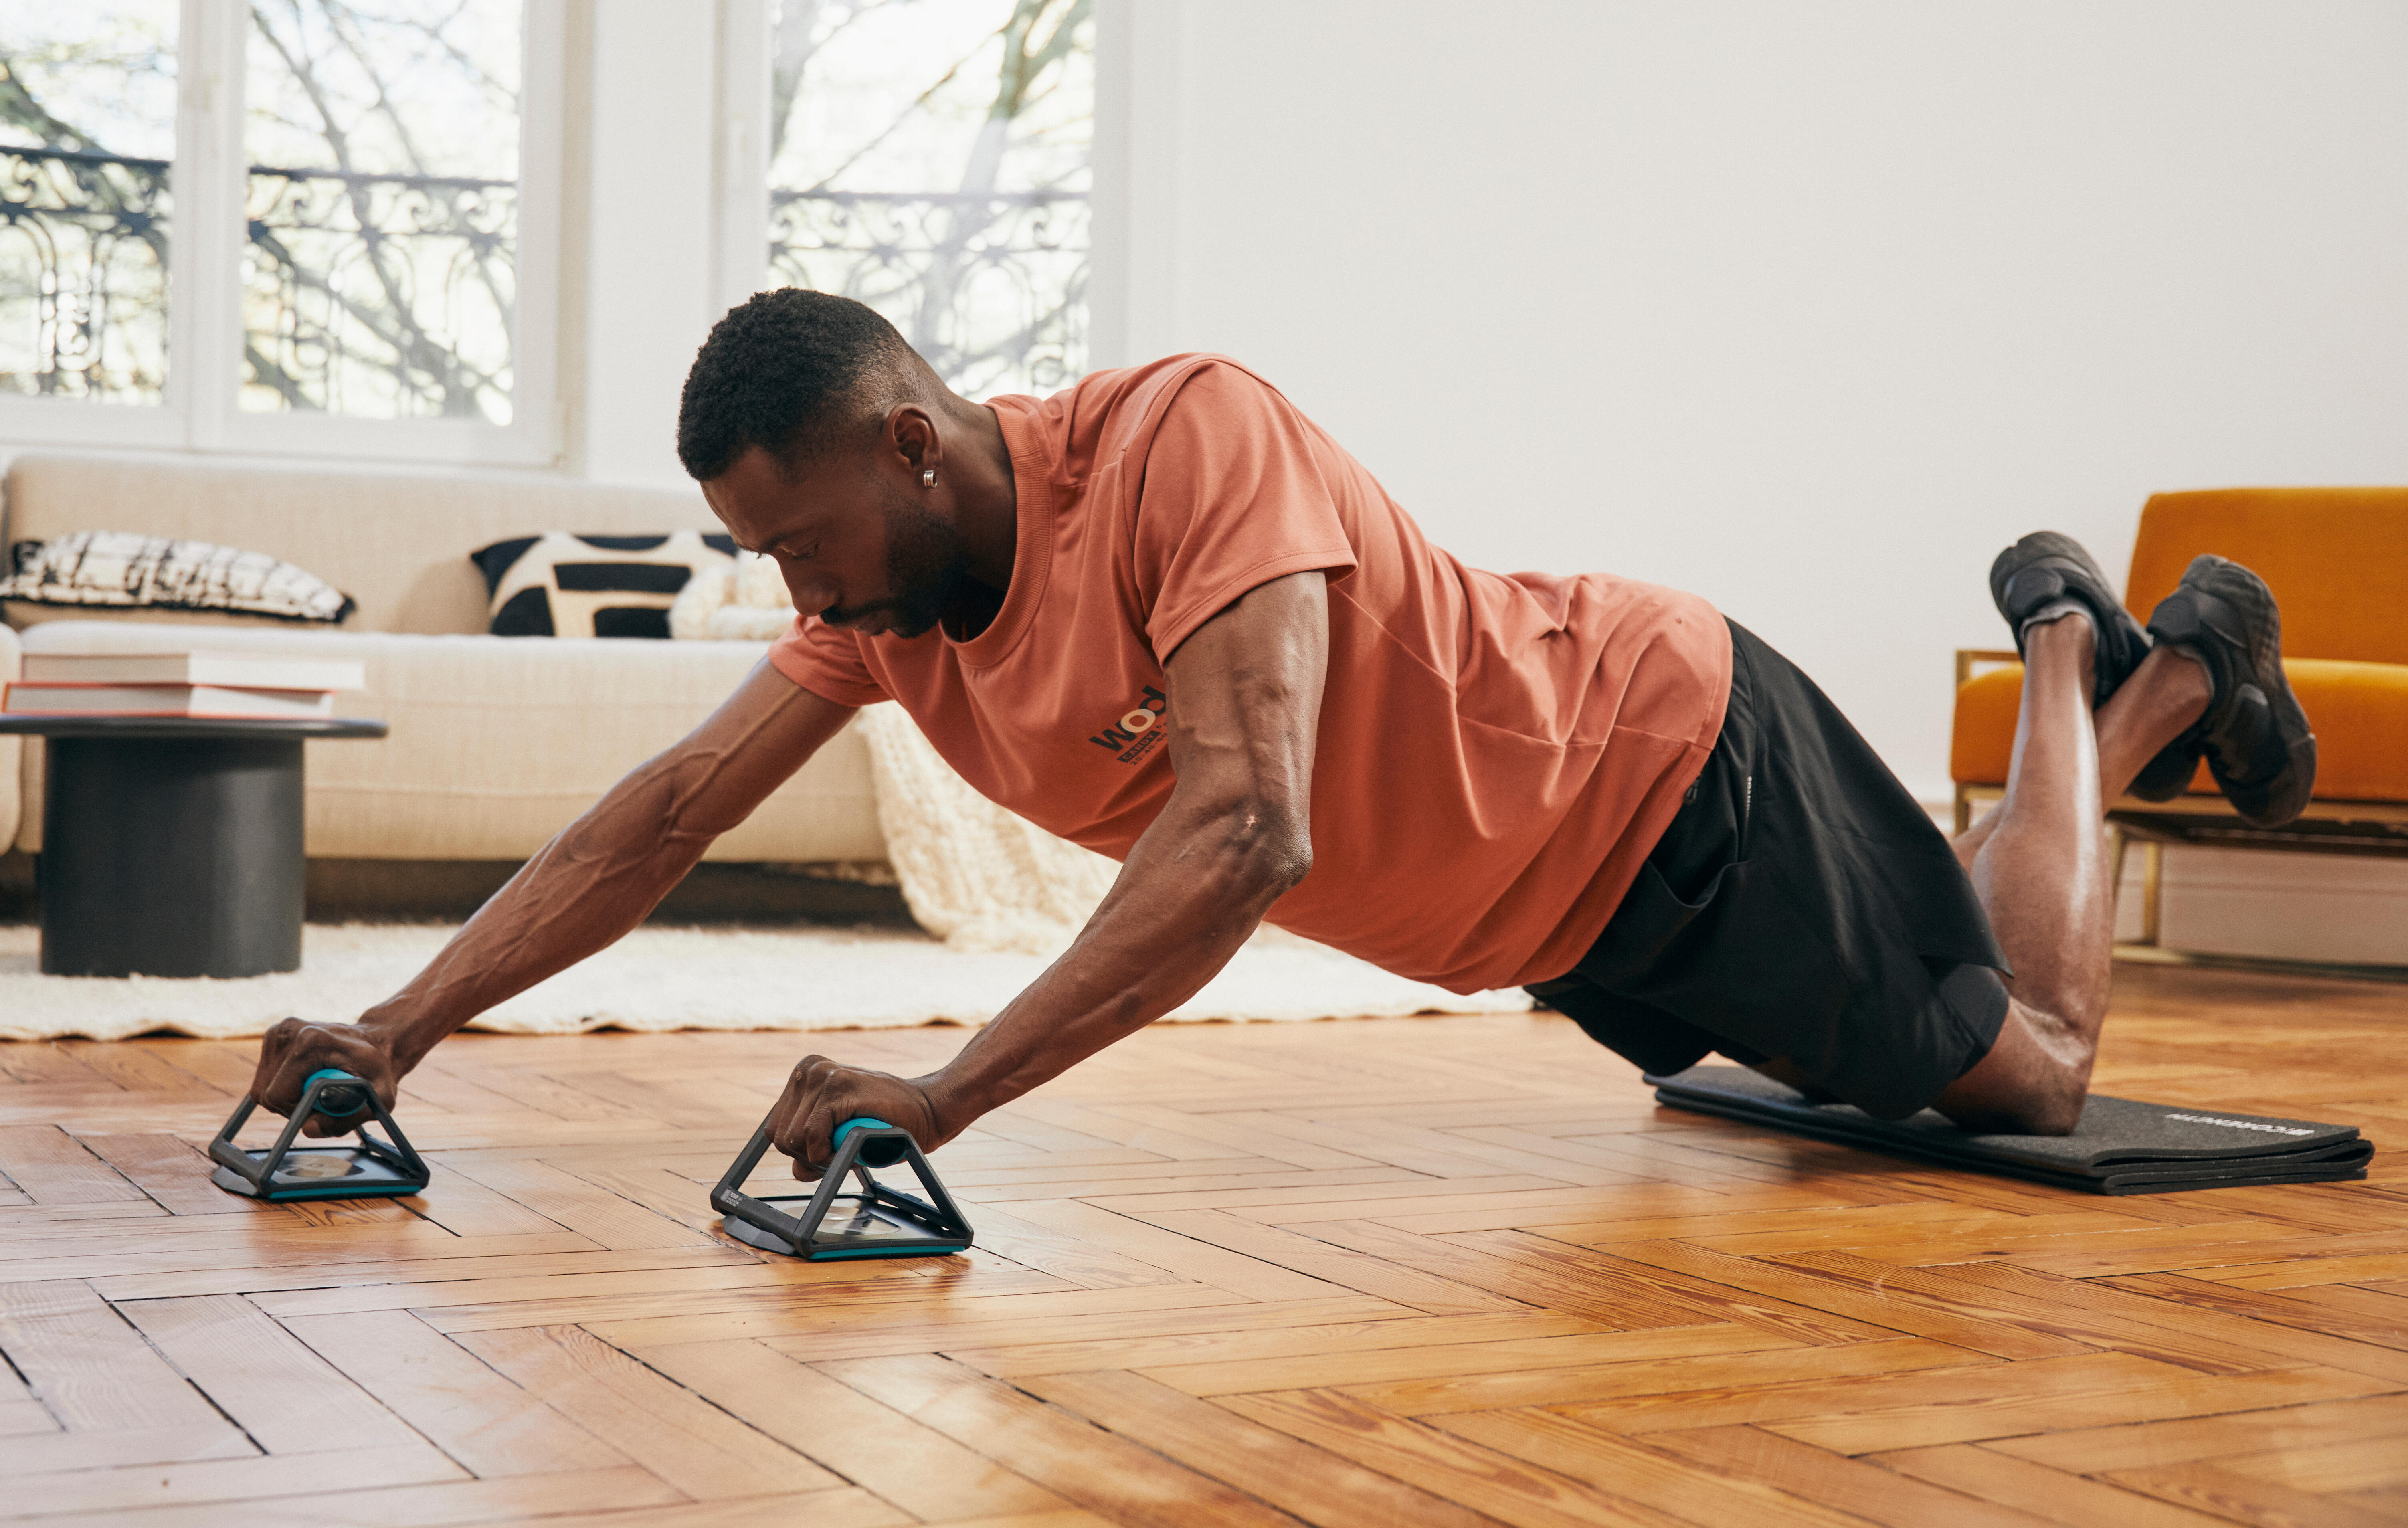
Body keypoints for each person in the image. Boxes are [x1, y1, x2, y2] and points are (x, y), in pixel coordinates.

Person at [247, 289, 2315, 1174]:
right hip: (1567, 931)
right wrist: (398, 1027)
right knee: (1922, 1056)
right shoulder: (888, 617)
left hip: (1672, 774)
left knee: (2027, 1077)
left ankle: (2073, 639)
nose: (801, 600)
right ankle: (2185, 667)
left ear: (908, 439)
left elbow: (1250, 834)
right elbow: (665, 814)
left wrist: (947, 1095)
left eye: (806, 545)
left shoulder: (1180, 442)